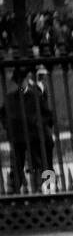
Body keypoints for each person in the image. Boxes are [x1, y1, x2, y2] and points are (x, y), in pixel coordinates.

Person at [1, 65, 56, 194]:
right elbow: (3, 115)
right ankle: (13, 191)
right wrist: (9, 127)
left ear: (27, 80)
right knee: (16, 164)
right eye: (18, 81)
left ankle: (48, 189)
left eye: (23, 80)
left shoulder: (35, 95)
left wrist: (39, 124)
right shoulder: (10, 98)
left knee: (42, 163)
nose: (21, 83)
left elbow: (48, 115)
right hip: (18, 138)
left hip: (35, 137)